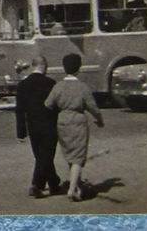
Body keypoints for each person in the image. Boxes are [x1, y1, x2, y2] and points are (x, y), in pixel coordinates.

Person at [44, 52, 103, 202]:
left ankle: (77, 186)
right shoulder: (82, 87)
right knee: (78, 156)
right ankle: (72, 189)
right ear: (79, 68)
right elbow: (93, 107)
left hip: (62, 121)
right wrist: (99, 120)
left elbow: (48, 104)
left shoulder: (58, 86)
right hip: (78, 121)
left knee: (70, 154)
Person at [15, 55, 64, 198]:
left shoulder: (23, 85)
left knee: (41, 156)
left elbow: (19, 110)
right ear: (43, 66)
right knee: (46, 156)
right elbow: (56, 106)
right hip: (49, 124)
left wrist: (21, 131)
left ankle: (54, 183)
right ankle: (37, 184)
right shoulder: (51, 83)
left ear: (32, 66)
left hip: (32, 125)